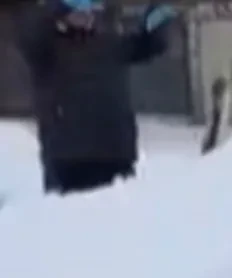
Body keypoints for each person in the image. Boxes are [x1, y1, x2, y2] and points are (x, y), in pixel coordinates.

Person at [18, 0, 177, 195]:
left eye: (89, 10)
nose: (85, 16)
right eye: (78, 11)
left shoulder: (109, 44)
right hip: (69, 161)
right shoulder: (47, 48)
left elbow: (150, 45)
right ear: (64, 14)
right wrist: (56, 6)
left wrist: (159, 19)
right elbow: (29, 31)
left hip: (116, 154)